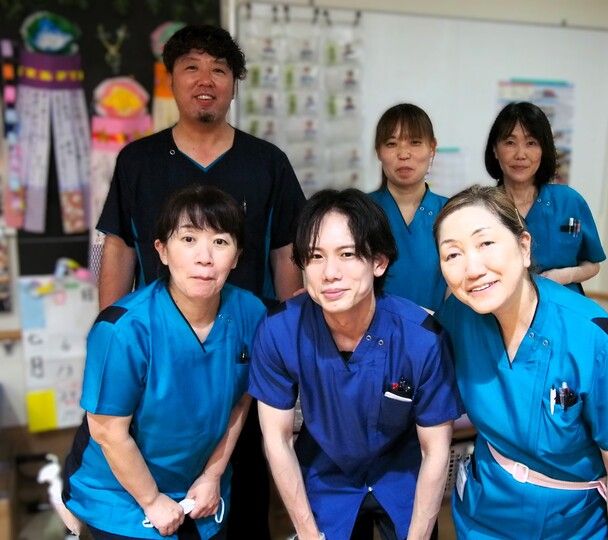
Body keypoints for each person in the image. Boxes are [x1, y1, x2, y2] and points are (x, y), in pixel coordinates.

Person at [95, 25, 305, 538]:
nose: (205, 80)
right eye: (191, 67)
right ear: (172, 79)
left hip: (245, 355)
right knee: (153, 488)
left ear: (234, 83)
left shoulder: (267, 163)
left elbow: (286, 253)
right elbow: (119, 247)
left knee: (244, 492)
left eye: (219, 69)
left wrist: (291, 343)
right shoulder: (138, 161)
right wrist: (107, 332)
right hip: (159, 357)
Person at [434, 185, 608, 539]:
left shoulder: (595, 341)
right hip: (483, 513)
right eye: (452, 254)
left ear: (524, 247)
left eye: (486, 243)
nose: (472, 268)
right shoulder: (459, 318)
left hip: (570, 524)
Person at [248, 189, 464, 540]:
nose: (329, 273)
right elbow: (277, 439)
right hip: (326, 473)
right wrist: (307, 532)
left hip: (403, 473)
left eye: (347, 254)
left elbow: (435, 450)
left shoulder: (421, 338)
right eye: (315, 256)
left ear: (379, 262)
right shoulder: (280, 330)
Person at [63, 185, 266, 539]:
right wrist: (152, 500)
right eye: (188, 239)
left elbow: (242, 399)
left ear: (236, 257)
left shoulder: (250, 312)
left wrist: (213, 474)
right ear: (162, 250)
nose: (205, 257)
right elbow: (108, 432)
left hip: (200, 487)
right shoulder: (123, 329)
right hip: (120, 494)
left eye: (220, 242)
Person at [485, 101, 605, 294]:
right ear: (495, 150)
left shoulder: (569, 203)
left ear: (543, 150)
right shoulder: (483, 209)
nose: (520, 154)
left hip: (563, 305)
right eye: (510, 143)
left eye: (531, 143)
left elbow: (593, 264)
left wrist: (566, 275)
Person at [369, 104, 447, 313]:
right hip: (371, 329)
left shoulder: (453, 213)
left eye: (415, 142)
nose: (403, 154)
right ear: (379, 151)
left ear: (432, 148)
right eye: (391, 144)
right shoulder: (359, 212)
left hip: (438, 330)